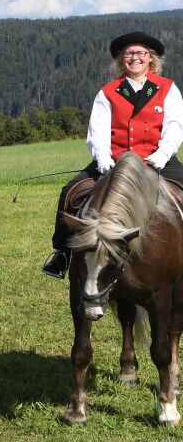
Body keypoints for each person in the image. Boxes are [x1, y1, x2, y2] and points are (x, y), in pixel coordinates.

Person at [42, 31, 183, 278]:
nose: (135, 58)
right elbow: (98, 131)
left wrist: (162, 153)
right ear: (121, 59)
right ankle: (61, 254)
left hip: (157, 159)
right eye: (129, 53)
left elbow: (175, 126)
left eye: (141, 53)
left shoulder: (167, 89)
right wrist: (104, 158)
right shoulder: (108, 92)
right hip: (115, 161)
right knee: (69, 191)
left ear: (151, 59)